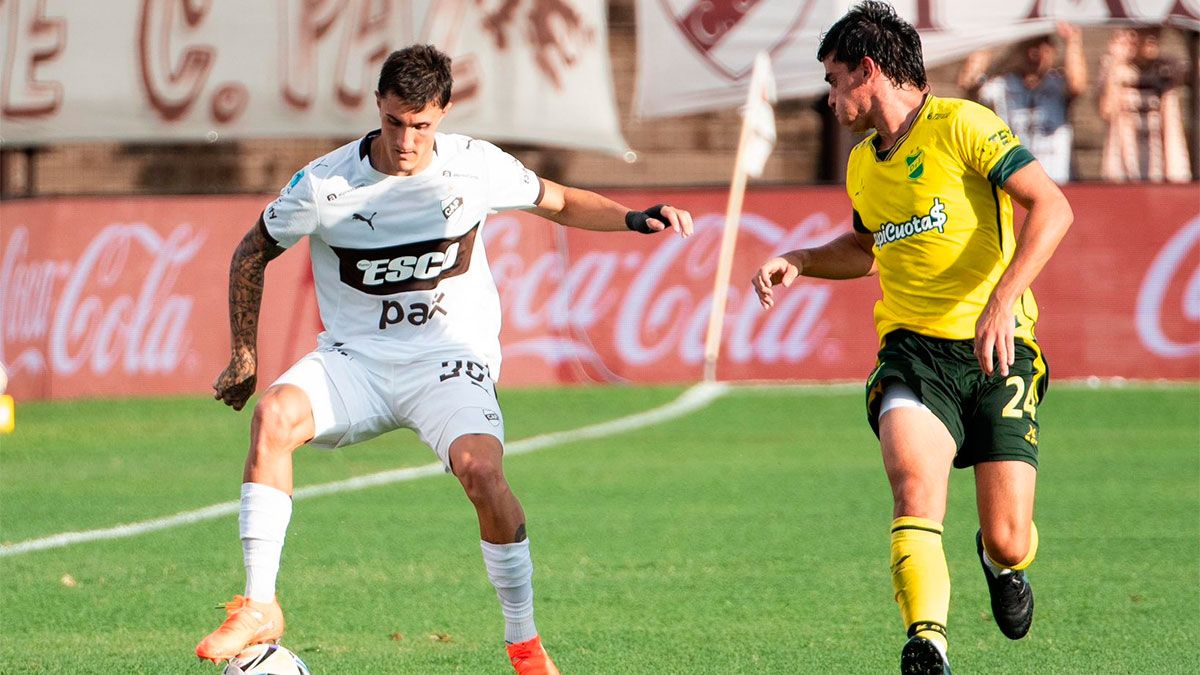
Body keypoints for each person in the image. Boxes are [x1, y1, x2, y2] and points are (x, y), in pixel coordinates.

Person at [194, 44, 694, 674]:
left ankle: (524, 644)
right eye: (395, 122)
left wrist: (634, 217)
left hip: (447, 360)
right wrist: (245, 353)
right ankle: (260, 605)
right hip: (357, 362)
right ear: (378, 106)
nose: (406, 141)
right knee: (273, 416)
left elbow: (560, 201)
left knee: (481, 472)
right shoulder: (325, 185)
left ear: (444, 113)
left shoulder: (474, 166)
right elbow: (252, 250)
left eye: (421, 125)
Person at [752, 3, 1072, 673]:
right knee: (913, 490)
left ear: (868, 70)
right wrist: (803, 259)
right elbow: (866, 248)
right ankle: (927, 642)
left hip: (999, 350)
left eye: (834, 79)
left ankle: (1000, 562)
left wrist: (1002, 300)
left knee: (1010, 538)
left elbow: (1053, 206)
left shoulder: (963, 125)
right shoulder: (862, 164)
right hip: (912, 354)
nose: (830, 96)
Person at [957, 22, 1087, 184]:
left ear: (1053, 50)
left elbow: (1077, 84)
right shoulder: (1003, 85)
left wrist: (1073, 40)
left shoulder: (1057, 84)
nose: (1034, 53)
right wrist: (986, 40)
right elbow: (968, 83)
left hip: (1057, 180)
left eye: (1042, 47)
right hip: (1014, 182)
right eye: (1029, 46)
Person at [1097, 26, 1192, 182]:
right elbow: (1106, 111)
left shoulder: (1168, 68)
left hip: (1161, 163)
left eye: (1156, 32)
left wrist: (1181, 27)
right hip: (1124, 163)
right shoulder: (1115, 68)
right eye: (1145, 32)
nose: (1151, 38)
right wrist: (1116, 63)